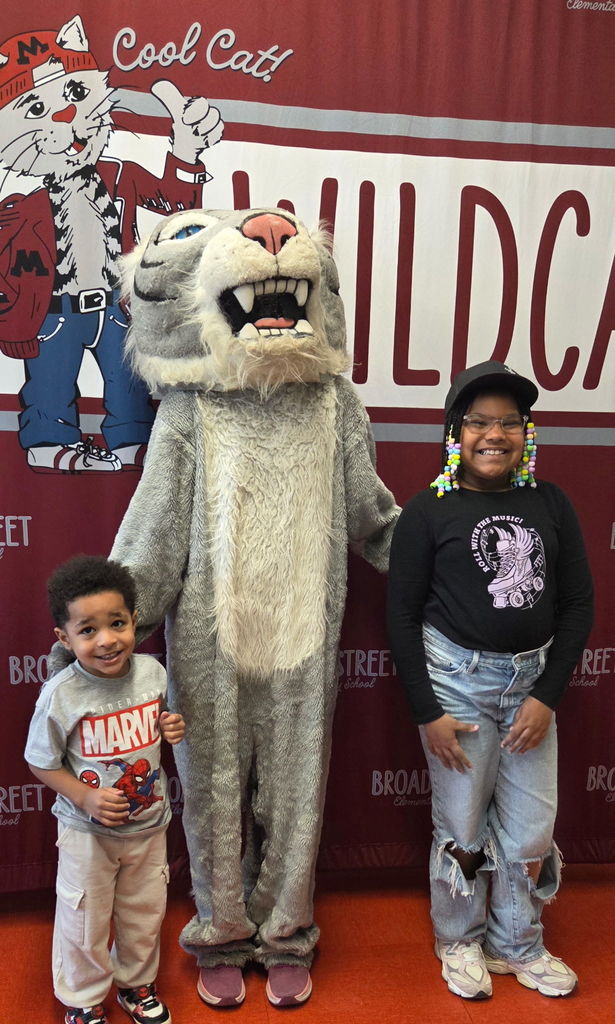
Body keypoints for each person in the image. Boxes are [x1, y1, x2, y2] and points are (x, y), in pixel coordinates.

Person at [387, 360, 593, 1001]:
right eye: (479, 422)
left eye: (510, 422)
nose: (494, 434)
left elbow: (577, 603)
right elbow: (401, 613)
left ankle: (517, 944)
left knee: (531, 828)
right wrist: (428, 711)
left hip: (530, 685)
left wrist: (546, 696)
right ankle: (460, 939)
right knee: (463, 827)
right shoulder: (427, 512)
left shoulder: (550, 503)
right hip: (457, 687)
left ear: (526, 434)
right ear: (456, 432)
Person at [25, 555, 185, 1024]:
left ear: (134, 620)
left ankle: (136, 986)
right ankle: (83, 999)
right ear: (64, 638)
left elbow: (158, 723)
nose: (107, 640)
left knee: (143, 914)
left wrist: (171, 725)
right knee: (84, 919)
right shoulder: (62, 693)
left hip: (148, 826)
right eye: (88, 630)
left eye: (117, 623)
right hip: (86, 833)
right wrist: (85, 796)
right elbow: (40, 762)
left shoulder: (153, 675)